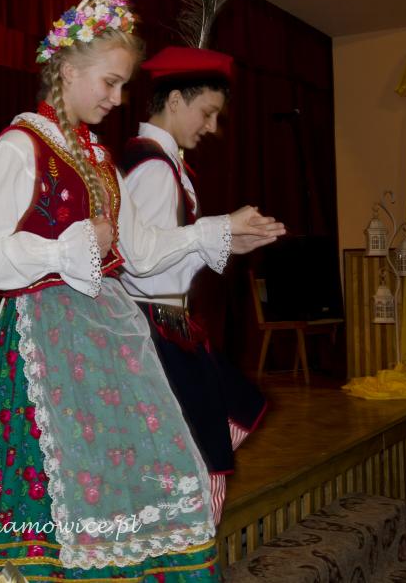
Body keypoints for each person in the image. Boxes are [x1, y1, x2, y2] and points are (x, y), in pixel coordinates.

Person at [0, 0, 278, 580]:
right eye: (110, 82)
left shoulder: (98, 156)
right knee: (54, 477)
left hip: (104, 335)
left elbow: (143, 249)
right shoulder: (20, 147)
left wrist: (219, 231)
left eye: (123, 85)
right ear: (67, 70)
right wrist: (63, 250)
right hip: (44, 335)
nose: (118, 97)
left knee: (119, 472)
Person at [119, 46, 284, 523]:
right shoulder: (154, 168)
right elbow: (142, 260)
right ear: (175, 100)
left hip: (161, 319)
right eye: (207, 112)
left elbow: (163, 252)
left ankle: (176, 541)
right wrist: (219, 229)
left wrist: (230, 239)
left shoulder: (158, 162)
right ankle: (181, 545)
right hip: (154, 325)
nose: (211, 126)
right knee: (198, 447)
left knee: (212, 426)